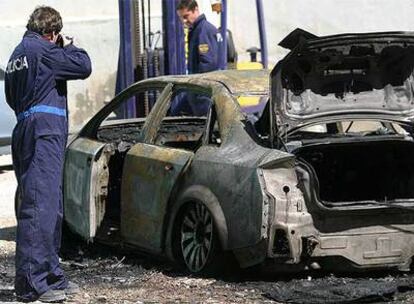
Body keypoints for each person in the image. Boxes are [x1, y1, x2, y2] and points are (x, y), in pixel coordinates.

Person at [4, 6, 91, 303]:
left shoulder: (17, 53)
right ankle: (31, 282)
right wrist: (69, 45)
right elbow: (83, 65)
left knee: (50, 207)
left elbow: (11, 97)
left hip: (28, 129)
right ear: (52, 33)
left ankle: (51, 274)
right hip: (44, 133)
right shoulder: (45, 50)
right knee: (39, 207)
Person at [176, 0, 221, 74]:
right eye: (181, 17)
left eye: (186, 16)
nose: (184, 21)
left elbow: (207, 64)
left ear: (196, 10)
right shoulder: (198, 29)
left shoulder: (202, 31)